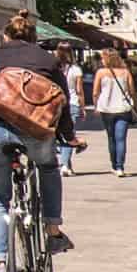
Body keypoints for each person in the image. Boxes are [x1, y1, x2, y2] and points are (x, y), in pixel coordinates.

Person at [0, 12, 81, 272]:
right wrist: (68, 136)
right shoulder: (47, 61)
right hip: (35, 131)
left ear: (6, 36)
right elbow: (61, 100)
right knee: (48, 167)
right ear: (34, 38)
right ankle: (52, 228)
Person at [92, 48, 137, 178]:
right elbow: (132, 92)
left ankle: (114, 165)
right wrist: (136, 107)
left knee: (111, 138)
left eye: (103, 57)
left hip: (107, 109)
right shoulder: (125, 72)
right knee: (121, 139)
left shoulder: (101, 73)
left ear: (107, 58)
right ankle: (120, 167)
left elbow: (95, 92)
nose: (101, 60)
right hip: (123, 108)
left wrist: (96, 106)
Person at [56, 44, 87, 176]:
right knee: (69, 134)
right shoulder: (76, 69)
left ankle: (68, 166)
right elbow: (79, 91)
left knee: (62, 135)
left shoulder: (54, 68)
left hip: (57, 103)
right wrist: (82, 107)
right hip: (72, 103)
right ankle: (64, 165)